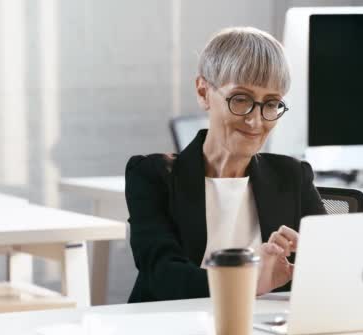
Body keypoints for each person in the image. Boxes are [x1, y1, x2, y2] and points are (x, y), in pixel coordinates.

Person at [125, 27, 325, 303]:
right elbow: (163, 275)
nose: (256, 121)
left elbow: (336, 268)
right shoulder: (152, 175)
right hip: (174, 326)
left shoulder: (292, 176)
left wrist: (316, 262)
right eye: (240, 99)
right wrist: (250, 281)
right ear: (204, 92)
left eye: (271, 104)